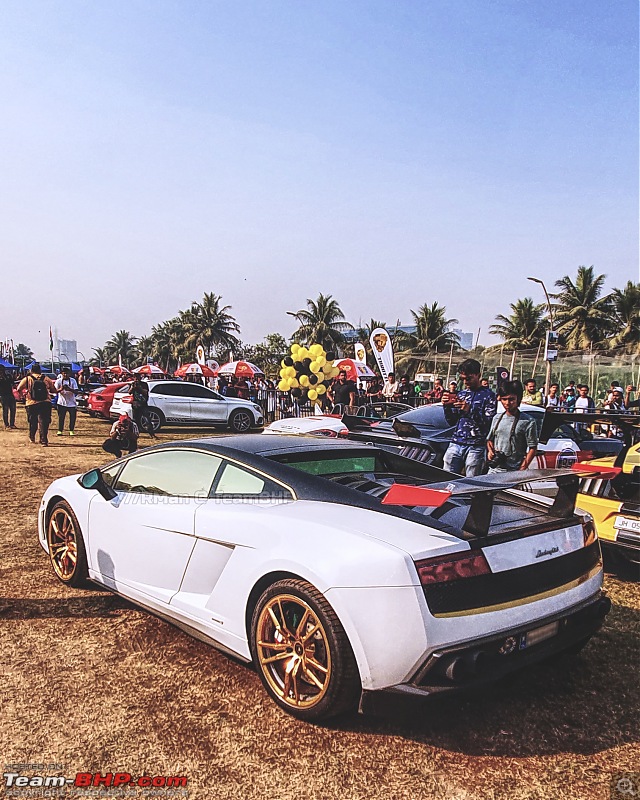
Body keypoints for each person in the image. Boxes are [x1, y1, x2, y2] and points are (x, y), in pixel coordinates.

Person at [442, 358, 497, 476]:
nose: (466, 382)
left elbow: (489, 423)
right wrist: (446, 406)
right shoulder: (461, 394)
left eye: (469, 378)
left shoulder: (489, 396)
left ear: (479, 375)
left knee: (471, 483)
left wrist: (470, 410)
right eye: (463, 379)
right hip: (456, 443)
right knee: (446, 480)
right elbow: (451, 421)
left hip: (476, 446)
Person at [486, 380, 538, 473]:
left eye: (511, 399)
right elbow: (489, 440)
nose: (507, 403)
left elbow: (533, 448)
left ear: (518, 399)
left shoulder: (528, 421)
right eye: (504, 399)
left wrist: (522, 468)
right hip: (494, 470)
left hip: (513, 471)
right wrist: (490, 451)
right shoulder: (497, 418)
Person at [17, 364, 56, 445]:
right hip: (45, 402)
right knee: (44, 422)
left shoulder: (27, 379)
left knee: (32, 421)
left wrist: (23, 397)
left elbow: (18, 389)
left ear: (31, 371)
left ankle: (32, 437)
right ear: (40, 370)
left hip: (31, 403)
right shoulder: (46, 378)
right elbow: (53, 390)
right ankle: (44, 440)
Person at [55, 367, 79, 436]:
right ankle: (60, 430)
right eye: (64, 373)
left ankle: (71, 430)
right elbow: (55, 391)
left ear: (69, 374)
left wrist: (69, 389)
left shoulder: (73, 381)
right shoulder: (58, 381)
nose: (65, 375)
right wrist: (61, 389)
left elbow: (76, 391)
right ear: (61, 374)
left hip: (71, 403)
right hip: (61, 402)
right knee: (61, 417)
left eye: (67, 373)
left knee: (72, 417)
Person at [130, 373, 156, 438]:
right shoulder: (133, 384)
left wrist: (139, 388)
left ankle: (151, 433)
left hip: (143, 404)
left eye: (137, 377)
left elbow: (146, 392)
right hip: (136, 404)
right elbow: (129, 392)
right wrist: (133, 388)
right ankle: (137, 433)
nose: (136, 379)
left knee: (147, 419)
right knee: (136, 420)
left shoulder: (144, 384)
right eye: (135, 378)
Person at [0, 364, 17, 429]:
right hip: (3, 395)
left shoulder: (8, 376)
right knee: (5, 410)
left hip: (10, 394)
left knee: (13, 409)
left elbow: (12, 383)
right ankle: (6, 424)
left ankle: (12, 424)